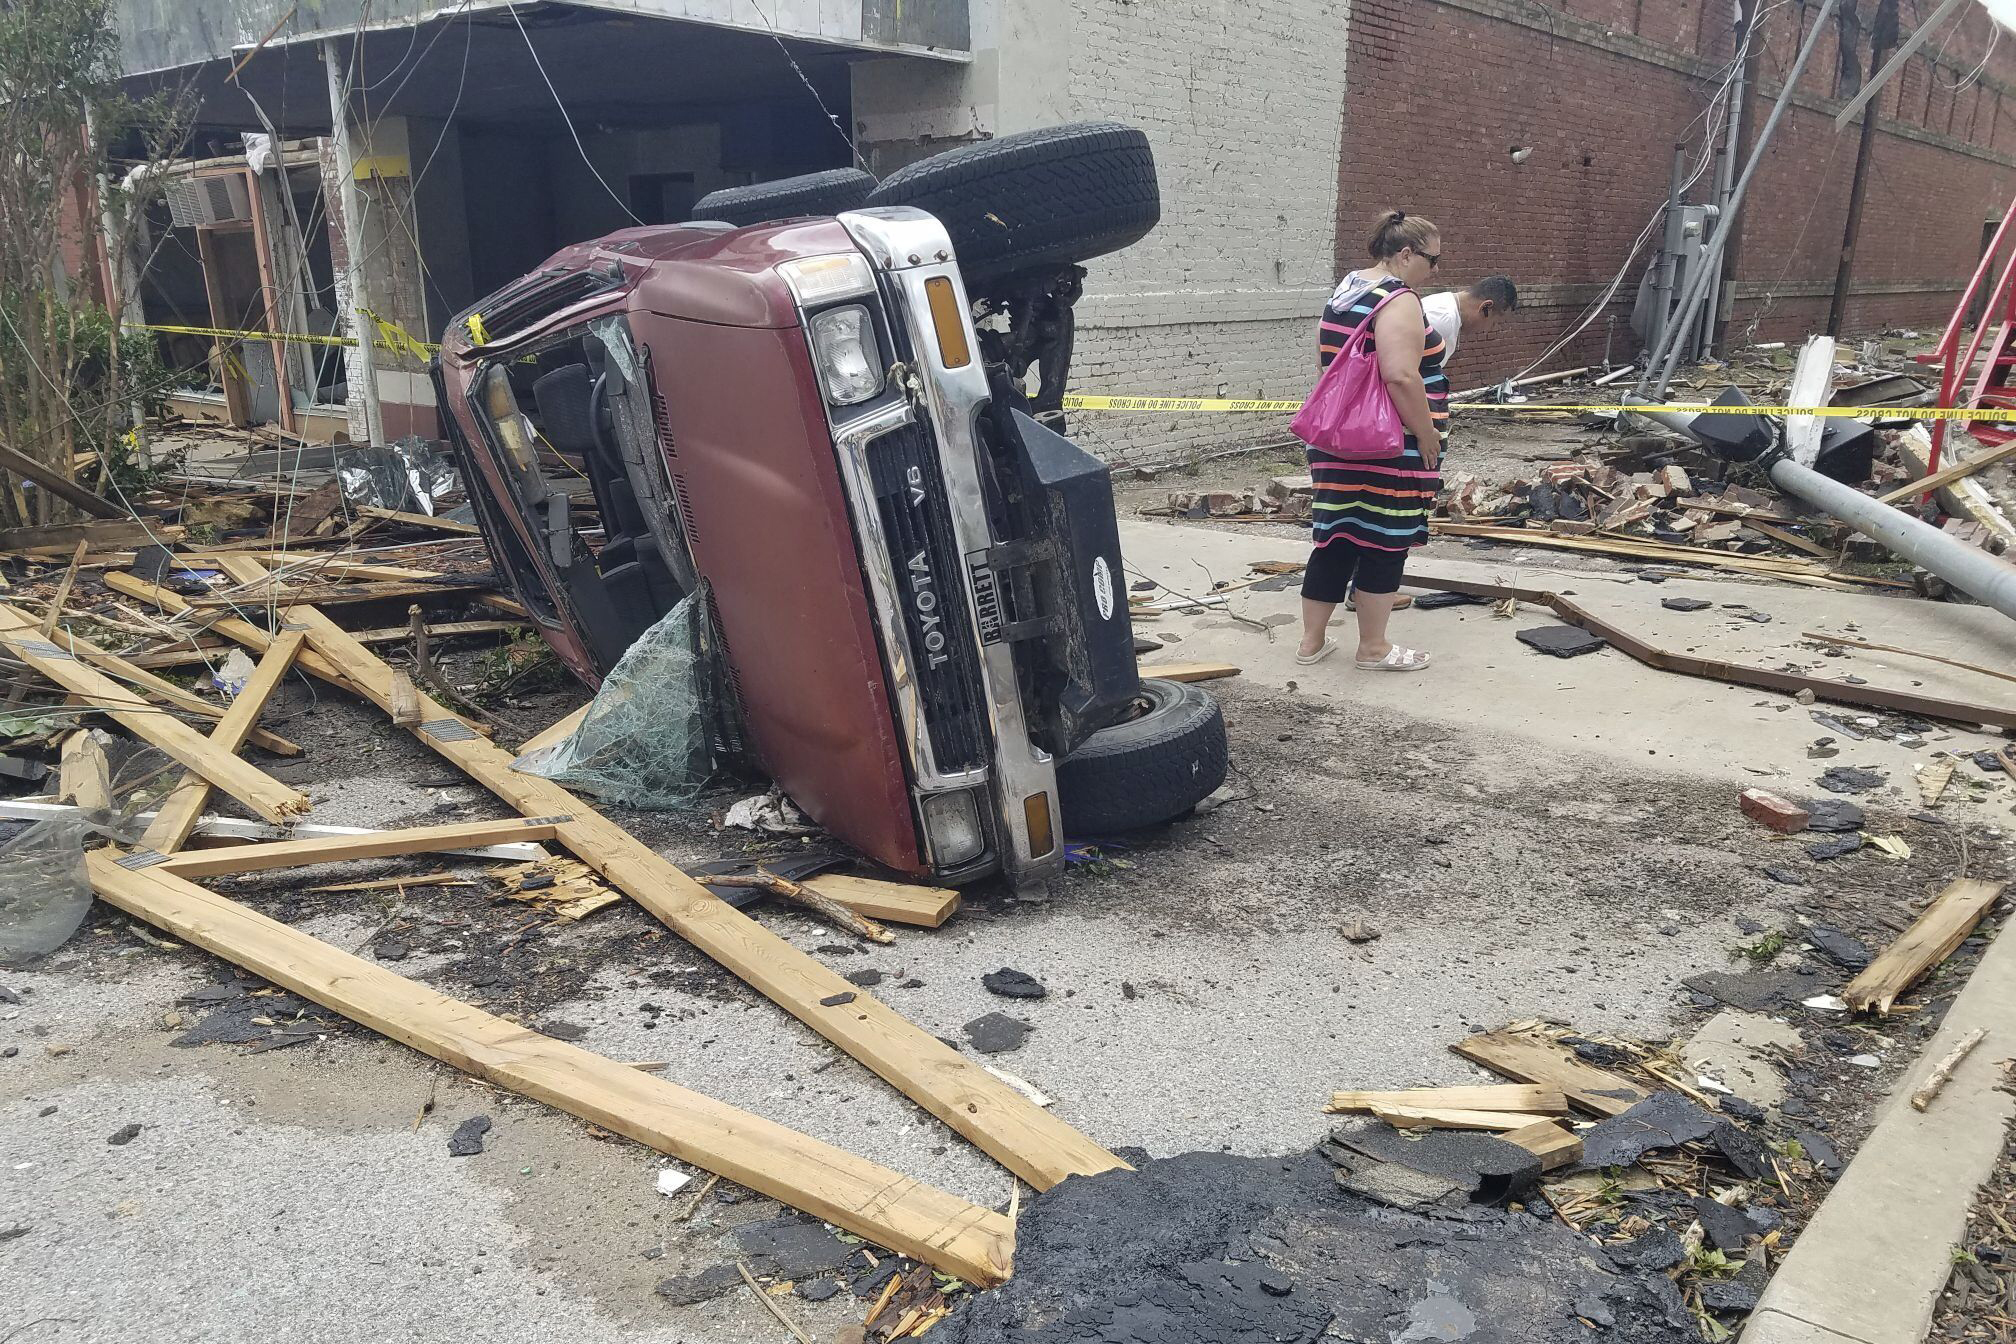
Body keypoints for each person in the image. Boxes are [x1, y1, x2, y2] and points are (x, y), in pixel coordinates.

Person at [1297, 209, 1448, 672]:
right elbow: (1401, 376)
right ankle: (1373, 648)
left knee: (1336, 538)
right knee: (1385, 540)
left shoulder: (1348, 289)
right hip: (1386, 443)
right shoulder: (1398, 299)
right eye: (1433, 260)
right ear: (1406, 254)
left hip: (1337, 436)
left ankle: (1311, 643)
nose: (1435, 271)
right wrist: (1428, 435)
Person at [1422, 275, 1519, 364]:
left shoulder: (1447, 306)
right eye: (1494, 323)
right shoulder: (1443, 318)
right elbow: (1408, 374)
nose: (1488, 330)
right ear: (1486, 307)